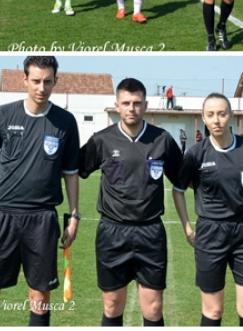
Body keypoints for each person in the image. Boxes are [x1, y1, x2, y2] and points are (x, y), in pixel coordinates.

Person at [79, 78, 184, 326]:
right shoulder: (101, 140)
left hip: (150, 232)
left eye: (137, 103)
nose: (131, 108)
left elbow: (185, 179)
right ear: (117, 105)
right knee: (112, 305)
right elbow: (75, 169)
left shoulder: (162, 140)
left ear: (145, 105)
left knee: (154, 308)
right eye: (126, 102)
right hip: (112, 232)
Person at [0, 56, 80, 327]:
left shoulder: (65, 121)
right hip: (0, 216)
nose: (42, 87)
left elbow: (71, 173)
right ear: (24, 80)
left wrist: (74, 216)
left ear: (55, 82)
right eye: (36, 81)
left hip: (41, 219)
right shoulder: (4, 114)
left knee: (39, 294)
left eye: (48, 82)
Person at [173, 93, 243, 327]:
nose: (217, 120)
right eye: (210, 115)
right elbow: (178, 190)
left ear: (230, 115)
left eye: (222, 113)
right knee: (212, 311)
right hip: (210, 233)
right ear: (203, 118)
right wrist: (187, 226)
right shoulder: (195, 154)